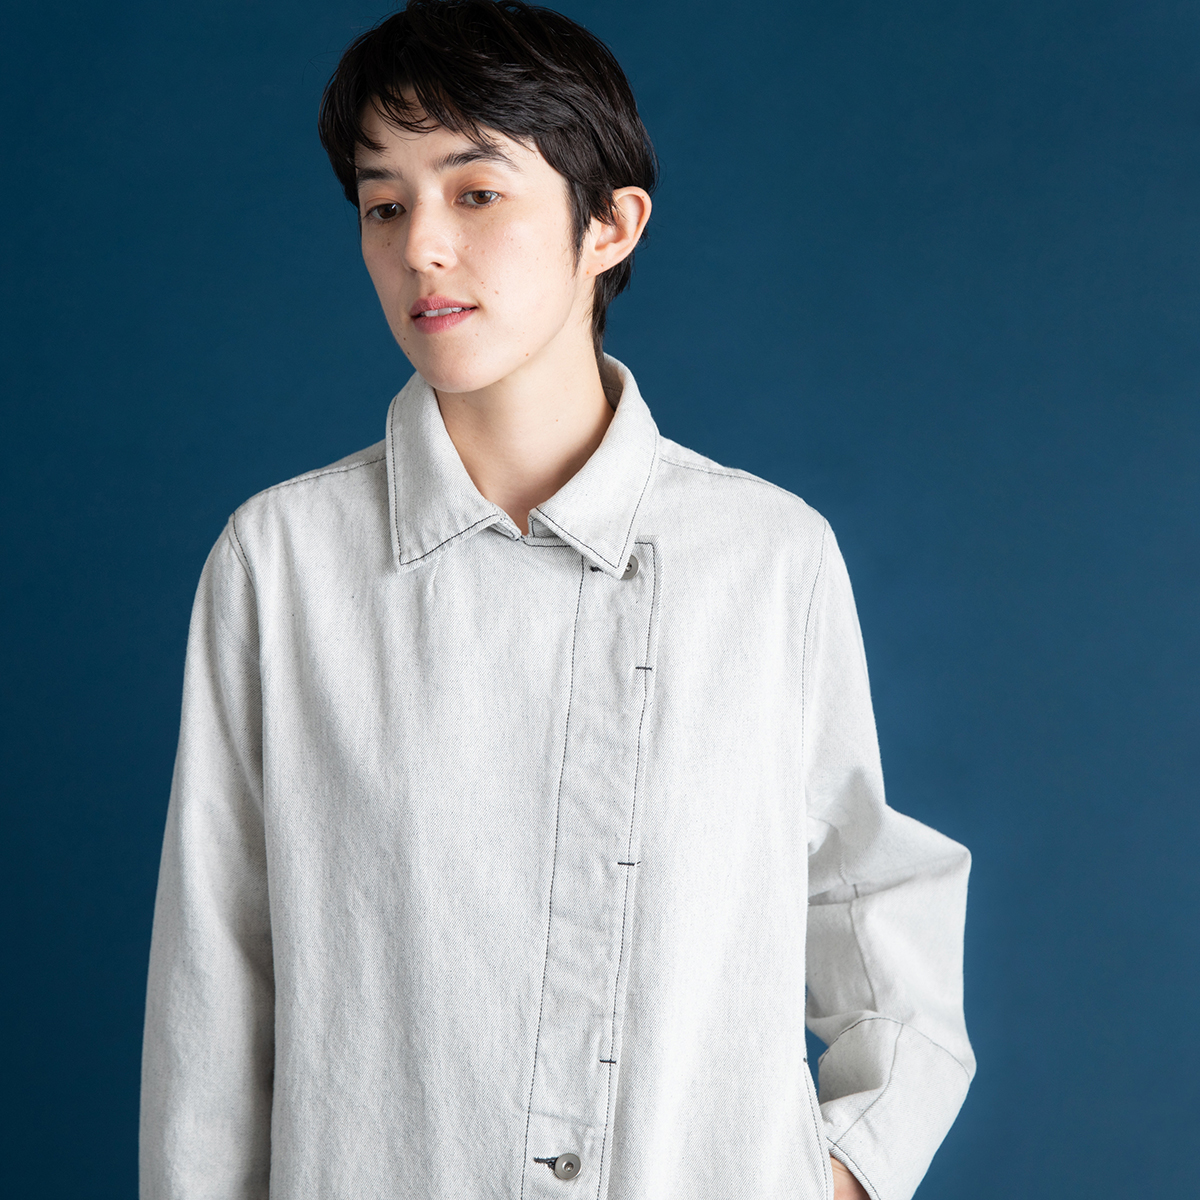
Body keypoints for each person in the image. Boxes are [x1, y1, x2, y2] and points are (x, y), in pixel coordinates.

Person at [139, 2, 974, 1197]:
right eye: (384, 205)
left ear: (610, 226)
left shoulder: (765, 558)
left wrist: (846, 1172)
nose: (423, 247)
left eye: (475, 192)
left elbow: (868, 894)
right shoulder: (282, 563)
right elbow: (215, 996)